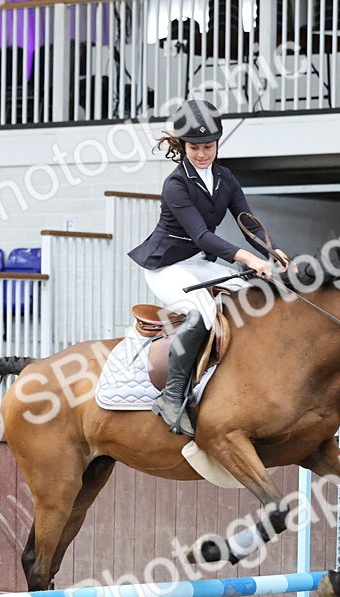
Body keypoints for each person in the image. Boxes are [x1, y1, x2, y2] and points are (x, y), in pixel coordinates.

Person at [128, 99, 288, 437]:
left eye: (208, 147)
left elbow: (246, 220)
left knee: (249, 296)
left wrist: (271, 250)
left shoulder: (225, 178)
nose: (202, 154)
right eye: (195, 148)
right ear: (183, 146)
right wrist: (249, 259)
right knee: (200, 311)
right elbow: (201, 235)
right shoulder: (175, 185)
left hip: (198, 264)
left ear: (217, 144)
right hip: (166, 267)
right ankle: (171, 396)